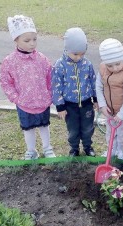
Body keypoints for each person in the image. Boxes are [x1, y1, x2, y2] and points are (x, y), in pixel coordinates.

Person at [0, 15, 56, 160]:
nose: (32, 43)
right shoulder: (9, 62)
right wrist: (16, 98)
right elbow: (6, 82)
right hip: (24, 103)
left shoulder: (42, 59)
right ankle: (31, 150)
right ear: (16, 40)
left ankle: (47, 148)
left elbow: (50, 77)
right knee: (28, 128)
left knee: (44, 125)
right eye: (27, 40)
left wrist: (50, 94)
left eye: (34, 39)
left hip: (43, 101)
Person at [52, 27, 97, 157]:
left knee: (88, 128)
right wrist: (60, 106)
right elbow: (56, 87)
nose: (79, 57)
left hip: (86, 104)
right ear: (67, 50)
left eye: (82, 54)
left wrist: (96, 99)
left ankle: (88, 147)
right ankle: (74, 148)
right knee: (73, 130)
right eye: (75, 54)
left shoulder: (87, 64)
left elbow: (92, 81)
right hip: (69, 106)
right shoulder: (60, 65)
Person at [96, 38, 123, 160]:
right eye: (110, 65)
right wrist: (102, 106)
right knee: (110, 133)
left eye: (117, 64)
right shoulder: (103, 69)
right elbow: (98, 87)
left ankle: (122, 152)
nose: (114, 68)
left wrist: (122, 115)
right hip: (109, 110)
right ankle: (111, 149)